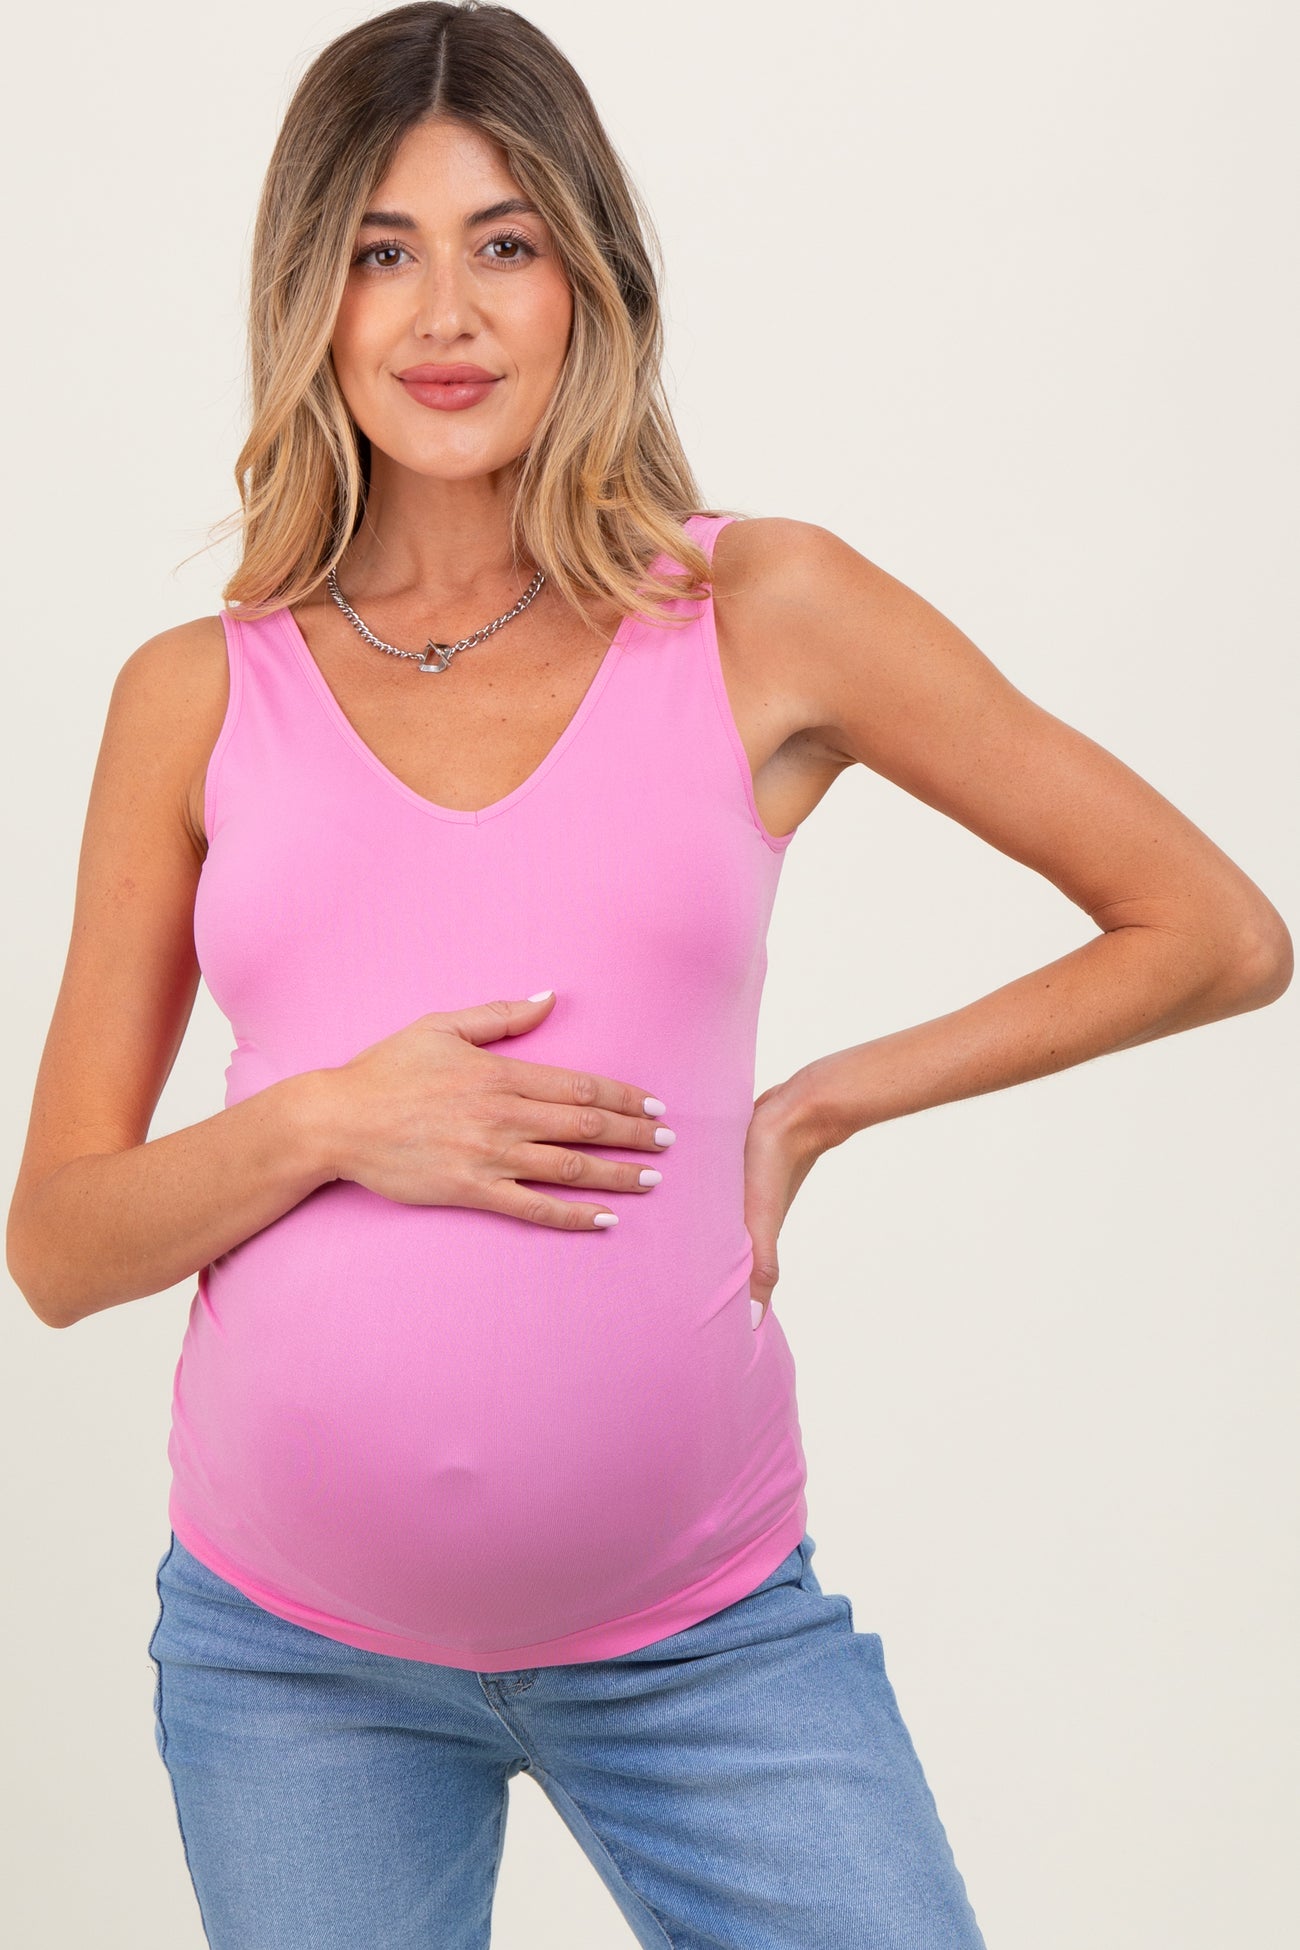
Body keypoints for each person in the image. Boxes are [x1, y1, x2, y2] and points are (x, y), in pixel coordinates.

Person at [6, 3, 1291, 1945]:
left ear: (589, 278)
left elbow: (1211, 931)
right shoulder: (196, 696)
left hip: (703, 1641)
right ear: (309, 299)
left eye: (504, 243)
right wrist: (337, 1122)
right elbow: (58, 1243)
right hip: (294, 1669)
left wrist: (815, 1105)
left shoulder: (758, 610)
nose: (446, 314)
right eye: (382, 250)